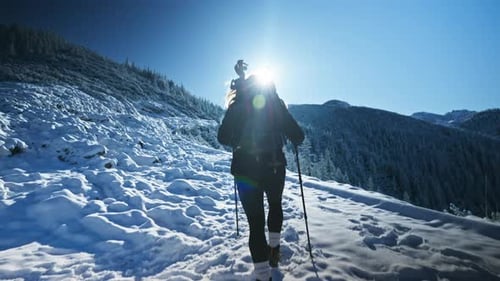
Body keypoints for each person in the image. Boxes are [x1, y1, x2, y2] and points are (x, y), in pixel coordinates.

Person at [218, 60, 304, 281]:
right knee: (275, 206)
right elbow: (298, 136)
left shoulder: (236, 105)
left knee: (255, 225)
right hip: (274, 166)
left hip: (245, 171)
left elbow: (223, 137)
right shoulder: (275, 103)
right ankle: (274, 252)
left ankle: (263, 276)